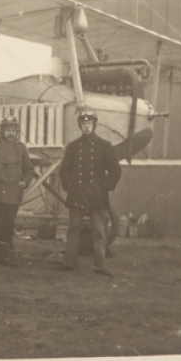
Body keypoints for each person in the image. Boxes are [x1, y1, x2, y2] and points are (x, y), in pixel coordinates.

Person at [59, 108, 121, 276]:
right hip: (77, 193)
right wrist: (69, 186)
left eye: (90, 123)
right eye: (84, 123)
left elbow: (115, 169)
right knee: (73, 229)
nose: (87, 126)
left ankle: (100, 265)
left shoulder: (104, 146)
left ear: (95, 124)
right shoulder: (73, 147)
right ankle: (69, 262)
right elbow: (64, 169)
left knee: (99, 231)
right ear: (80, 125)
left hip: (96, 194)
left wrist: (105, 187)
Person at [0, 116, 36, 266]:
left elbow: (29, 169)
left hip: (12, 193)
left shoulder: (21, 148)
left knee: (7, 225)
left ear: (16, 132)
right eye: (7, 130)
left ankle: (4, 256)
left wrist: (25, 182)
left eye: (13, 130)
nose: (10, 133)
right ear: (1, 131)